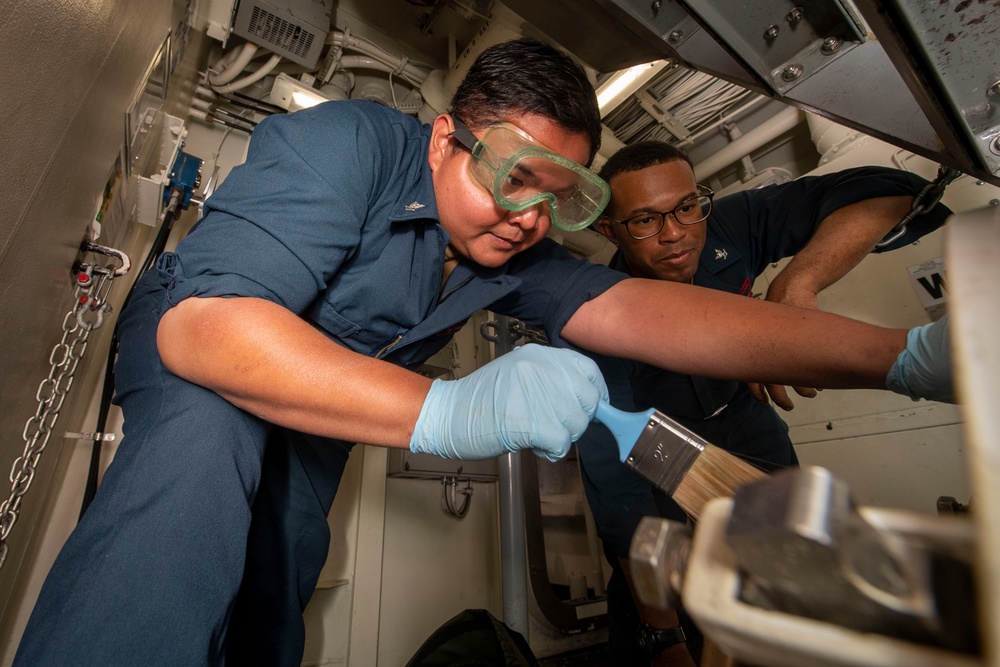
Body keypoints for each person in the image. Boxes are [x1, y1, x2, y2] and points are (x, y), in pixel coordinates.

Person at [15, 39, 950, 667]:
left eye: (557, 197)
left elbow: (661, 316)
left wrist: (895, 356)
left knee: (283, 569)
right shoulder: (346, 145)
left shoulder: (517, 255)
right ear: (443, 140)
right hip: (213, 335)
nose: (529, 217)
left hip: (316, 395)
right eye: (512, 178)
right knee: (197, 460)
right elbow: (207, 331)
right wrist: (451, 412)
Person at [574, 140, 953, 666]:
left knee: (789, 560)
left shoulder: (731, 224)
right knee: (660, 584)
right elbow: (614, 488)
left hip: (742, 416)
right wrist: (663, 637)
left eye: (686, 206)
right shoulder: (595, 305)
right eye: (644, 220)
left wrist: (799, 281)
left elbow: (894, 192)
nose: (676, 233)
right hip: (655, 439)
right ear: (608, 229)